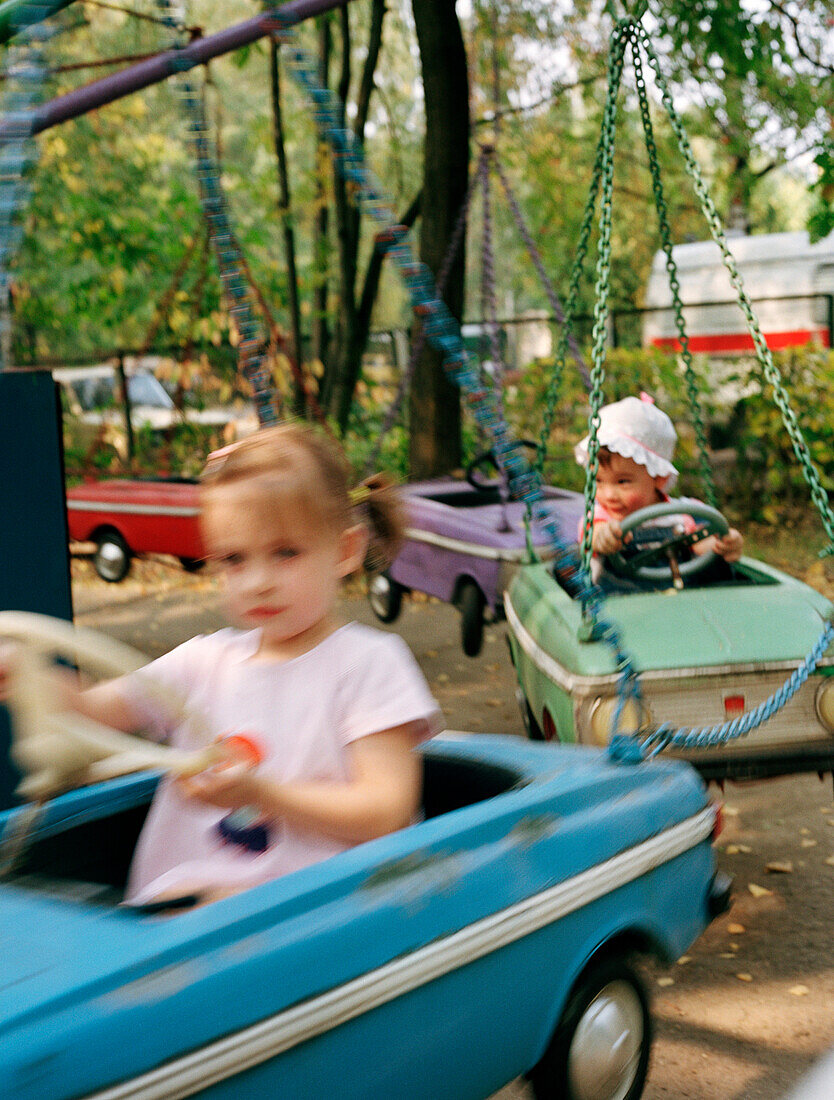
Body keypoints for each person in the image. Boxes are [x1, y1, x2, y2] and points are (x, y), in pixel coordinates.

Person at [11, 424, 443, 907]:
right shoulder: (203, 662)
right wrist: (27, 677)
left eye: (285, 552)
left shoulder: (367, 664)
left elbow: (385, 812)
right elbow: (90, 710)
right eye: (235, 559)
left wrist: (262, 794)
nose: (258, 581)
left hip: (314, 911)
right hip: (175, 914)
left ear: (344, 551)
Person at [574, 393, 743, 576]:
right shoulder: (600, 519)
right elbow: (594, 535)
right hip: (619, 598)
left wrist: (726, 545)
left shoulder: (683, 516)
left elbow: (706, 546)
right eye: (597, 480)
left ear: (659, 477)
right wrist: (604, 538)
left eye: (622, 482)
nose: (608, 495)